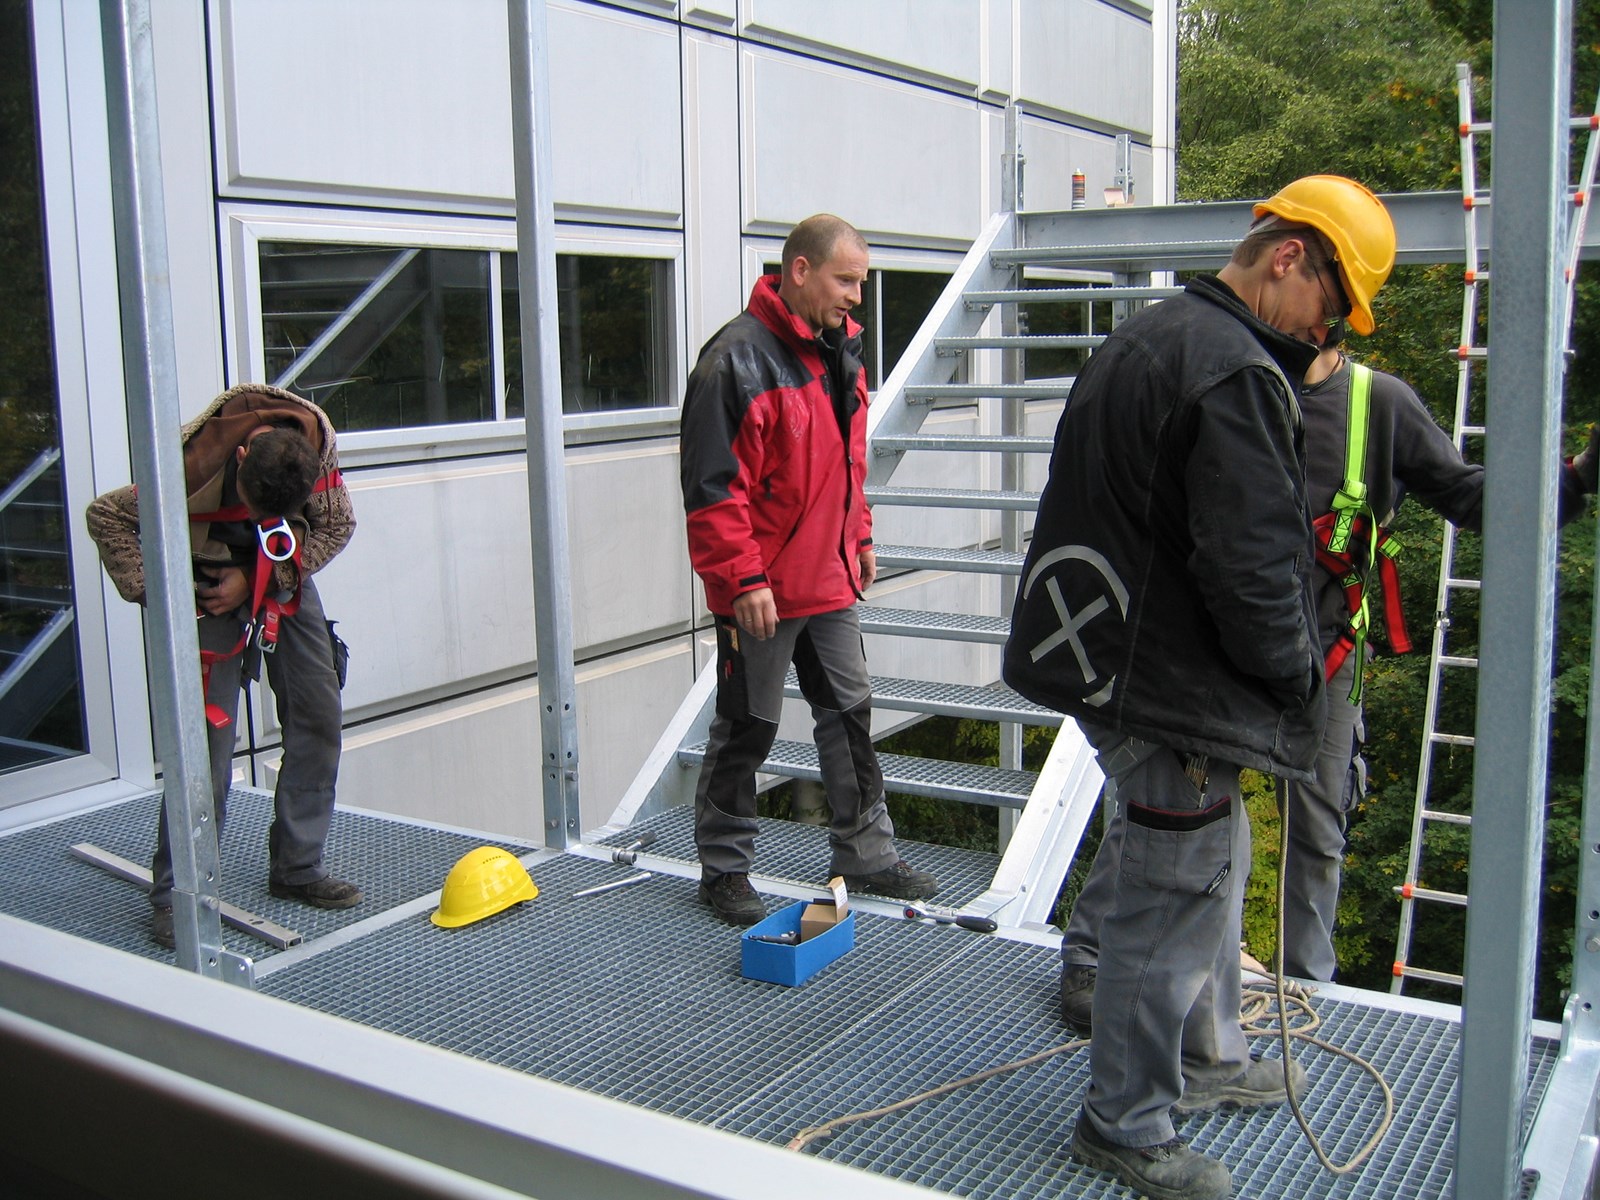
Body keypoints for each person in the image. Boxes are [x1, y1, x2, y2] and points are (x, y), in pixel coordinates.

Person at [1003, 176, 1397, 1200]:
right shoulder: (1234, 373)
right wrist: (1298, 683)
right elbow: (1251, 567)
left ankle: (1209, 1054)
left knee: (1213, 855)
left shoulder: (1149, 338)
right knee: (1171, 891)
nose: (1322, 335)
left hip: (1109, 659)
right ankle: (1125, 1122)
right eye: (1329, 307)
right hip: (1161, 683)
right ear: (1289, 257)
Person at [1056, 334, 1600, 1005]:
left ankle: (1303, 988)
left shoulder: (1377, 404)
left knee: (1315, 827)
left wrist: (1577, 478)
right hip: (1213, 641)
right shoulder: (1229, 387)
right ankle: (1092, 955)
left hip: (1321, 648)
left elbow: (1469, 495)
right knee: (1168, 798)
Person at [679, 213, 939, 926]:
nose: (857, 296)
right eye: (846, 280)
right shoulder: (734, 361)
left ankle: (866, 854)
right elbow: (713, 488)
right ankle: (724, 870)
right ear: (800, 270)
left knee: (850, 717)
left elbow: (846, 462)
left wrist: (860, 536)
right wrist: (742, 581)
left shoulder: (839, 350)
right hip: (762, 590)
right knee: (747, 728)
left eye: (861, 282)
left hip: (828, 579)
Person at [87, 383, 360, 949]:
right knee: (206, 742)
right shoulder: (188, 464)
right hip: (206, 582)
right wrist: (165, 594)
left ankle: (297, 868)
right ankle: (179, 894)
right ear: (239, 458)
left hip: (283, 569)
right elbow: (106, 515)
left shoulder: (315, 446)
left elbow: (336, 526)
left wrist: (265, 574)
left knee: (318, 711)